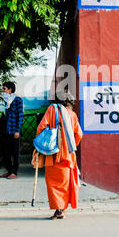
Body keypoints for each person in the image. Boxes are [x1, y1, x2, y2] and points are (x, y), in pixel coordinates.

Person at [33, 91, 83, 219]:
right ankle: (62, 209)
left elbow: (41, 127)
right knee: (64, 183)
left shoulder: (52, 109)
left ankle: (58, 209)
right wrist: (71, 146)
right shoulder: (72, 114)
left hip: (53, 153)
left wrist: (40, 144)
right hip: (69, 155)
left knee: (53, 183)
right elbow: (79, 134)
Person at [0, 81, 24, 179]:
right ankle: (9, 171)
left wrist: (17, 130)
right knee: (5, 152)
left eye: (4, 88)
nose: (3, 90)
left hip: (14, 130)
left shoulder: (18, 100)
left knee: (15, 152)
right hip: (6, 130)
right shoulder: (6, 100)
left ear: (10, 89)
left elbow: (20, 116)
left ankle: (14, 172)